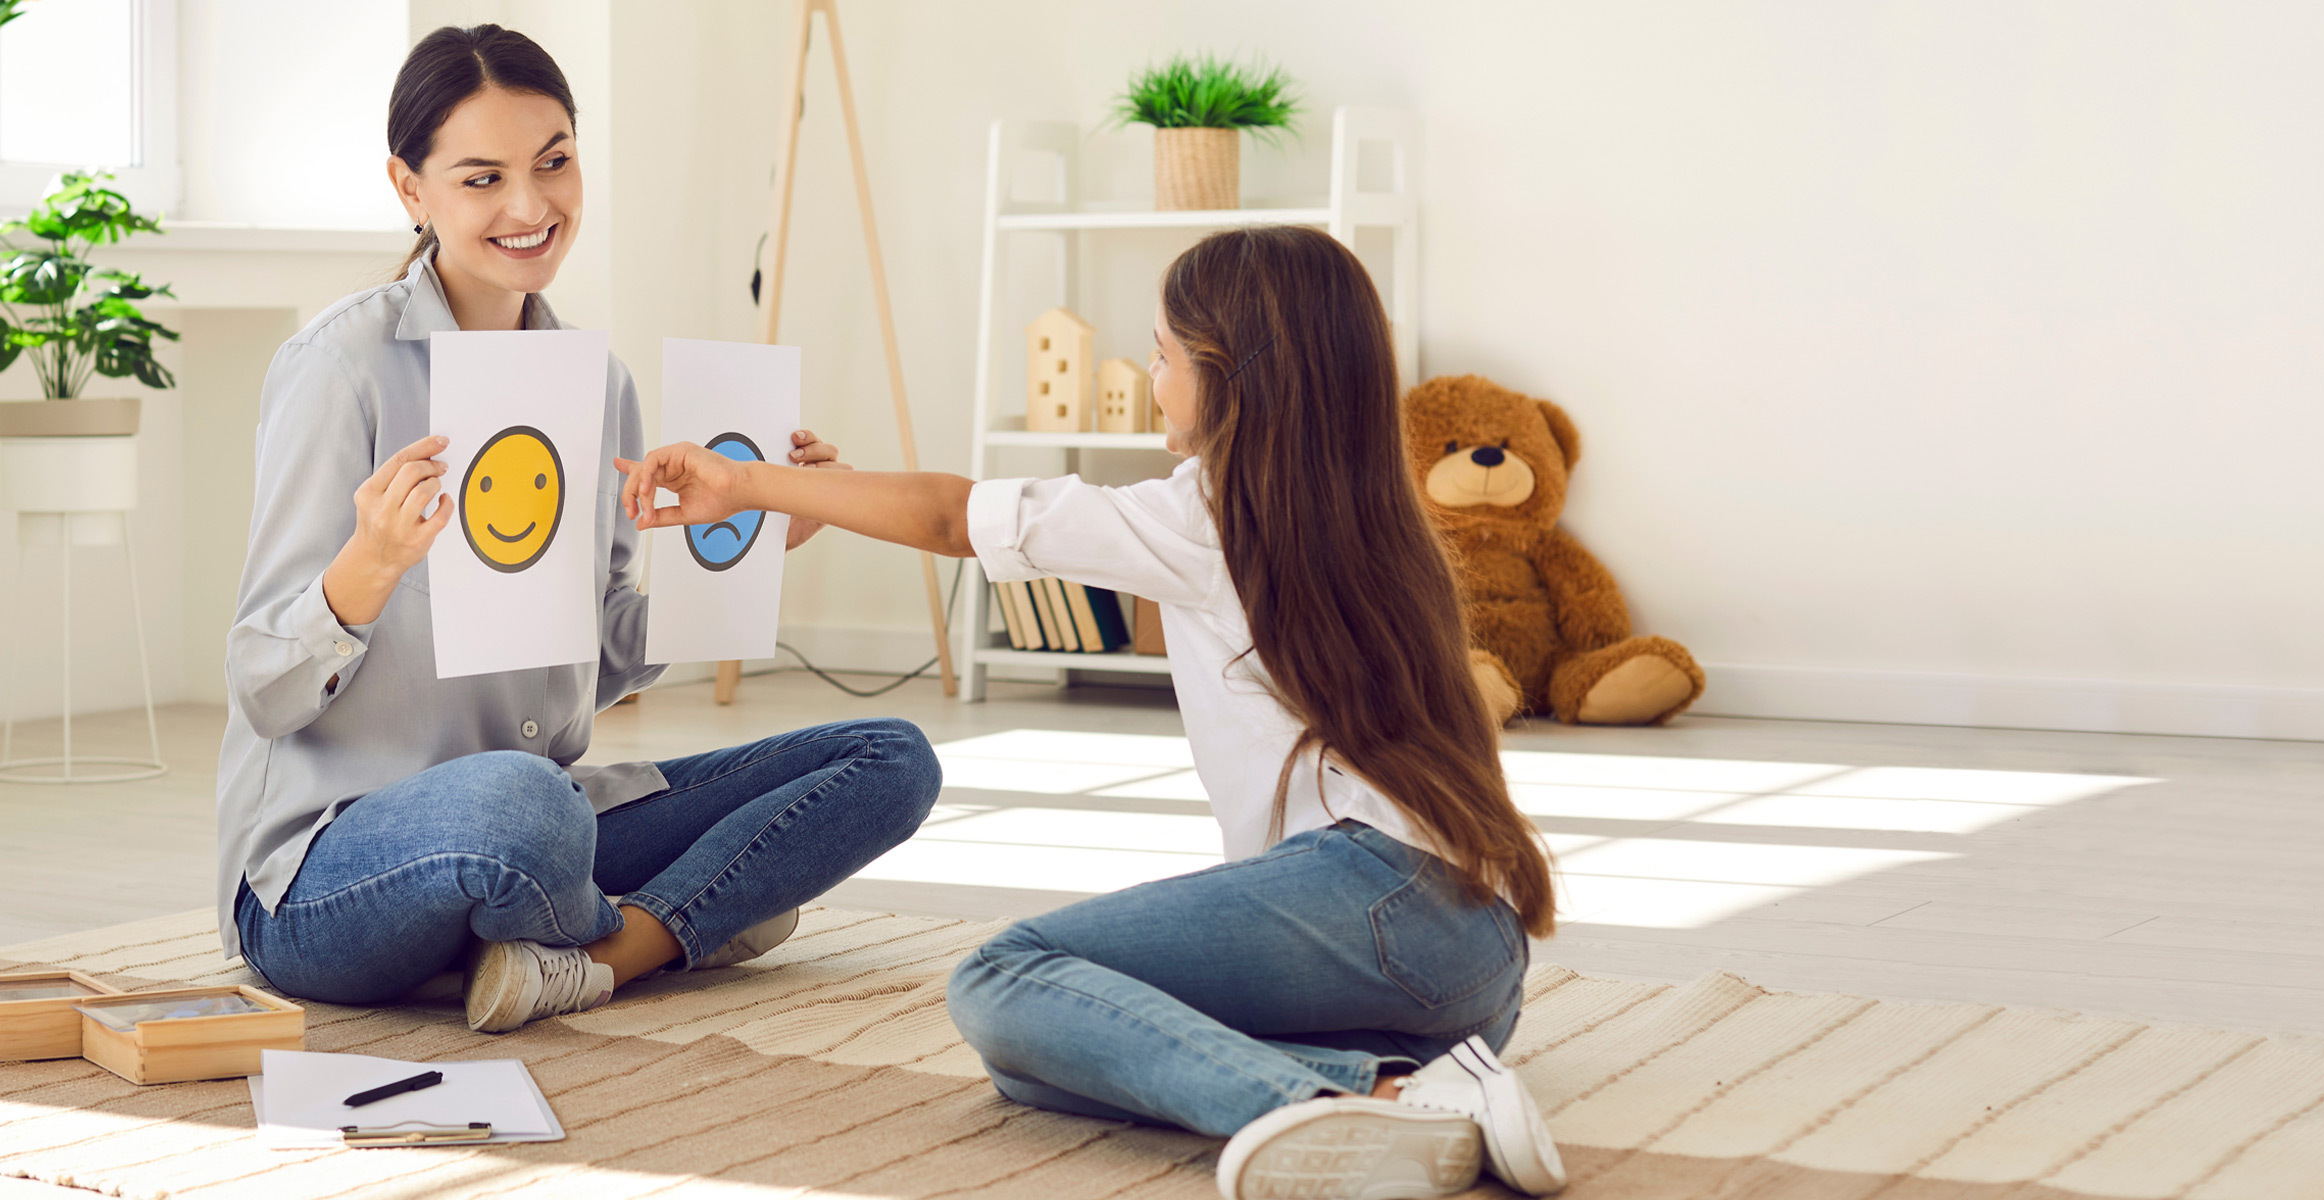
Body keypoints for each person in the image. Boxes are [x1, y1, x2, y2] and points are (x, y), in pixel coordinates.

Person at [618, 225, 1567, 1200]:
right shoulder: (1387, 520)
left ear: (1231, 373)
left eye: (1162, 352)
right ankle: (1412, 1088)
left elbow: (957, 518)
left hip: (1370, 906)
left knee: (1006, 978)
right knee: (1039, 1057)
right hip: (1477, 976)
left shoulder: (1210, 513)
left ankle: (1320, 1108)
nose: (1151, 375)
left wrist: (737, 482)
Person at [218, 24, 942, 1035]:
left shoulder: (595, 386)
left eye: (555, 162)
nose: (531, 206)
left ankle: (607, 949)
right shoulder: (339, 369)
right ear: (410, 189)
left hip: (545, 825)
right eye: (483, 179)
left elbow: (599, 653)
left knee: (890, 758)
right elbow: (261, 683)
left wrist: (751, 543)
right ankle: (696, 915)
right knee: (527, 804)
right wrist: (368, 567)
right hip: (326, 875)